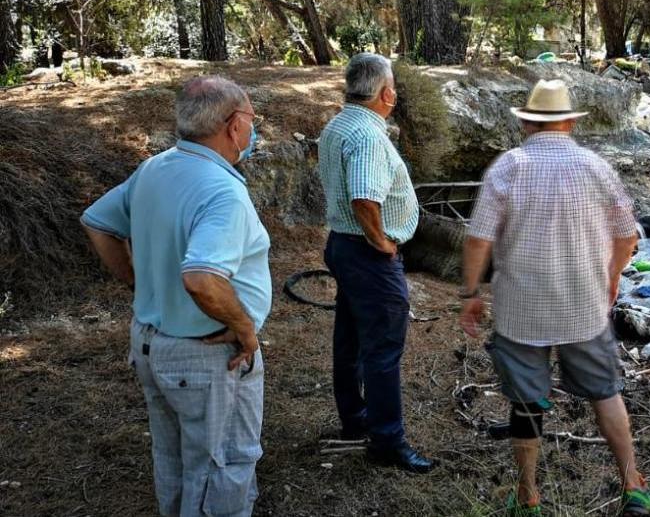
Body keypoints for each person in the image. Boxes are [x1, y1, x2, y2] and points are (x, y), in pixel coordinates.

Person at [459, 79, 650, 517]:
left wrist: (471, 292)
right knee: (605, 392)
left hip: (520, 310)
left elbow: (478, 240)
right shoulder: (595, 167)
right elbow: (626, 236)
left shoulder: (508, 166)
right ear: (569, 121)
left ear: (528, 122)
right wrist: (611, 278)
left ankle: (528, 495)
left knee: (527, 402)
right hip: (583, 307)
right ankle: (633, 485)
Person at [81, 75, 271, 517]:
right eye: (252, 118)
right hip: (204, 357)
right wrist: (244, 327)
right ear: (232, 125)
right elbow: (202, 278)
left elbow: (97, 221)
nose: (253, 128)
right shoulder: (222, 191)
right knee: (221, 465)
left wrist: (138, 282)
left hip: (151, 344)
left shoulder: (157, 167)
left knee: (175, 459)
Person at [317, 52, 433, 472]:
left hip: (344, 246)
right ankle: (386, 439)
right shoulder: (367, 135)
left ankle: (355, 418)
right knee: (382, 348)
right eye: (394, 87)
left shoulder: (339, 124)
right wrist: (382, 242)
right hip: (366, 253)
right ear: (386, 93)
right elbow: (364, 197)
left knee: (349, 337)